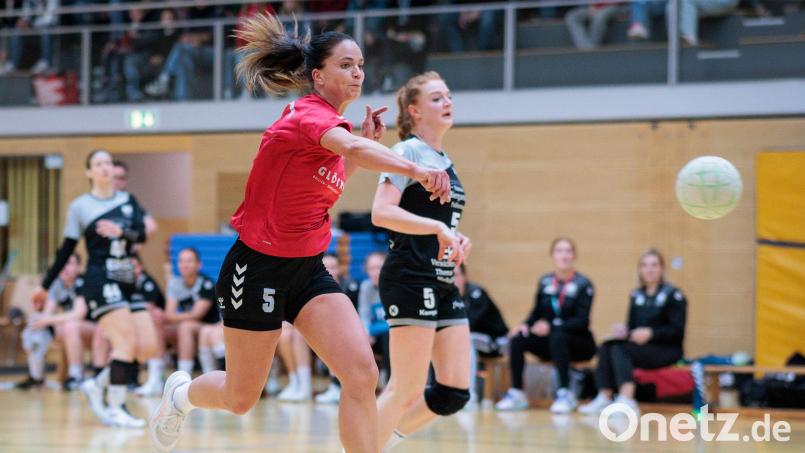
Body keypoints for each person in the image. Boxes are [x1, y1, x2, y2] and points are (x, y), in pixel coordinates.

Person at [149, 13, 451, 453]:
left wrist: (363, 143)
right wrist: (416, 169)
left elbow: (327, 184)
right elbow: (350, 147)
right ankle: (180, 395)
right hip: (256, 268)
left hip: (307, 271)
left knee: (362, 374)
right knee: (240, 398)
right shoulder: (306, 115)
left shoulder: (335, 132)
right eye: (346, 65)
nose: (357, 73)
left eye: (361, 65)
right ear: (317, 75)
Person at [372, 71, 472, 452]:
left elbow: (441, 225)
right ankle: (364, 447)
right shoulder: (406, 153)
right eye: (436, 98)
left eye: (448, 95)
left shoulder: (446, 161)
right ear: (414, 110)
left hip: (443, 279)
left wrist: (456, 236)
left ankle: (380, 441)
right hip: (410, 277)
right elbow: (382, 213)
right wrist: (437, 228)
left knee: (452, 392)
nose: (447, 102)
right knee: (406, 388)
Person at [32, 149, 148, 428]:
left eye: (108, 162)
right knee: (124, 343)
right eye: (99, 164)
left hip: (126, 277)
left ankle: (96, 384)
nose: (105, 167)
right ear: (89, 172)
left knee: (145, 346)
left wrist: (122, 233)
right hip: (101, 278)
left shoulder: (128, 200)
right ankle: (117, 405)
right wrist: (45, 287)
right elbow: (66, 251)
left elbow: (141, 234)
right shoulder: (81, 207)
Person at [579, 248, 687, 416]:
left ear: (662, 269)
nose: (649, 269)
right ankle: (604, 396)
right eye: (644, 265)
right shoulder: (636, 295)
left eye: (654, 265)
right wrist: (625, 332)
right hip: (641, 349)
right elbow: (632, 326)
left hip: (666, 350)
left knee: (620, 349)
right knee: (608, 346)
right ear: (639, 270)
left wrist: (651, 333)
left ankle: (627, 398)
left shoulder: (674, 295)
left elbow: (677, 331)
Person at [496, 237, 597, 414]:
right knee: (519, 338)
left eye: (568, 251)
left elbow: (582, 321)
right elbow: (536, 313)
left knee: (558, 335)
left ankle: (565, 393)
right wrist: (525, 325)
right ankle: (517, 393)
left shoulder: (583, 284)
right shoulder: (545, 282)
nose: (564, 255)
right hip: (552, 342)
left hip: (579, 343)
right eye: (559, 251)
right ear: (552, 255)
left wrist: (551, 326)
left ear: (574, 255)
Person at [453, 264, 508, 405]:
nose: (452, 280)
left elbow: (470, 324)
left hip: (497, 342)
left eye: (456, 275)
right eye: (448, 276)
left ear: (465, 277)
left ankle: (469, 392)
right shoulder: (448, 298)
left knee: (467, 339)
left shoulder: (477, 293)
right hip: (473, 341)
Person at [163, 247, 219, 376]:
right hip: (188, 324)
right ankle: (156, 375)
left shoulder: (206, 283)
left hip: (210, 326)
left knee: (185, 327)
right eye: (181, 261)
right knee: (161, 326)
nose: (184, 265)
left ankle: (184, 375)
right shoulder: (174, 283)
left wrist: (174, 317)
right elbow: (168, 314)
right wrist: (171, 317)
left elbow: (197, 314)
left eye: (189, 261)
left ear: (198, 264)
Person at [315, 252, 360, 404]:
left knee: (335, 336)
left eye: (333, 267)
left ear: (340, 269)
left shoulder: (352, 287)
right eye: (326, 267)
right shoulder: (313, 290)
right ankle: (300, 383)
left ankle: (337, 386)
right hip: (321, 332)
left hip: (352, 333)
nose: (330, 271)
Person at [130, 255, 168, 396]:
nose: (131, 270)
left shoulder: (147, 283)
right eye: (128, 268)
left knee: (154, 318)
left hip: (162, 325)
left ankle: (155, 379)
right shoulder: (124, 284)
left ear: (141, 267)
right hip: (136, 325)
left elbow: (148, 311)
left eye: (134, 266)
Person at [357, 252, 391, 386]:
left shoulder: (394, 286)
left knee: (389, 335)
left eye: (379, 267)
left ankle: (389, 382)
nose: (375, 272)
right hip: (374, 336)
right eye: (372, 268)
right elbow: (364, 315)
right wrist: (366, 334)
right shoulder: (366, 287)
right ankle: (339, 385)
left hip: (391, 335)